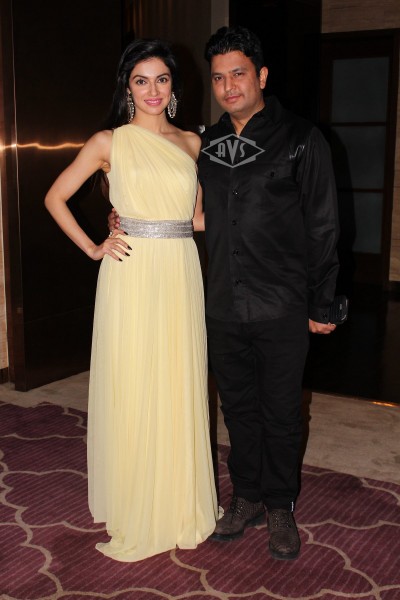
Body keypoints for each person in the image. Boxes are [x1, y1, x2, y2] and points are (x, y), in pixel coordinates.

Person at [109, 26, 340, 561]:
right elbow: (174, 203)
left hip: (282, 301)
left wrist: (322, 301)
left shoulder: (302, 138)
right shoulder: (205, 144)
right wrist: (123, 217)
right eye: (218, 77)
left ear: (262, 75)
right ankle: (247, 497)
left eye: (239, 73)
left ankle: (280, 505)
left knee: (281, 411)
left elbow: (323, 224)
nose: (229, 86)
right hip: (220, 302)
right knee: (236, 408)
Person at [45, 38, 217, 562]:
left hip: (180, 269)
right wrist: (94, 247)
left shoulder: (192, 142)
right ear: (127, 87)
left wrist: (257, 213)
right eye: (141, 81)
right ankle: (137, 500)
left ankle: (177, 500)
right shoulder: (108, 142)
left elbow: (196, 219)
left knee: (177, 379)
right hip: (131, 270)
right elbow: (55, 197)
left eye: (161, 79)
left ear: (174, 86)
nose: (152, 90)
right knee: (136, 379)